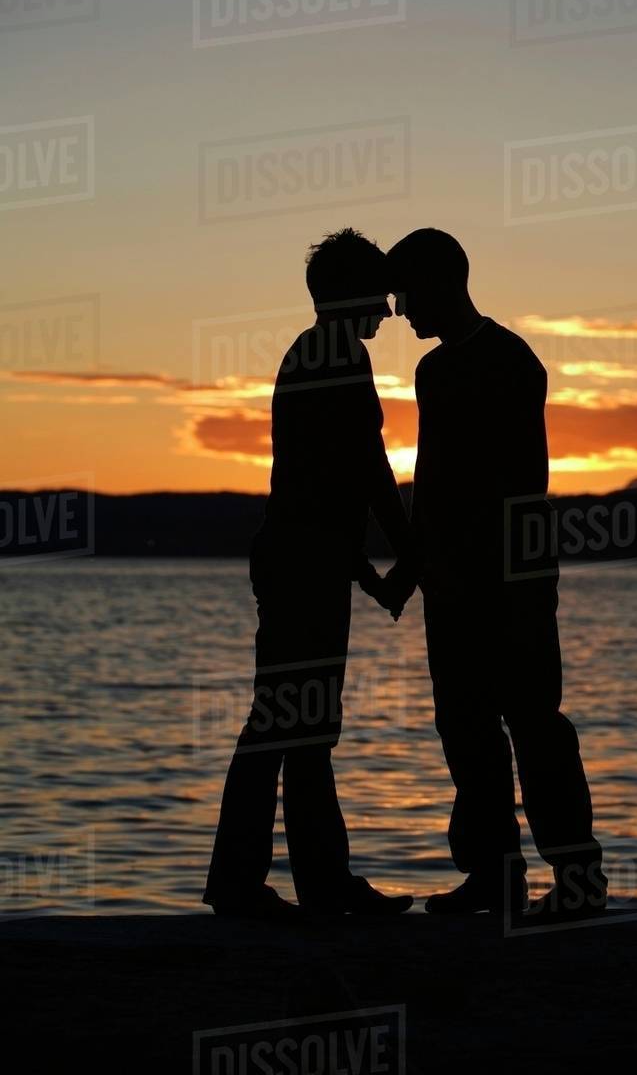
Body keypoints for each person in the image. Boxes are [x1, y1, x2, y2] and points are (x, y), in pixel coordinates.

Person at [385, 228, 607, 921]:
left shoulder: (511, 361)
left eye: (406, 292)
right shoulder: (432, 372)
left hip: (510, 583)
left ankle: (576, 878)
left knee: (534, 724)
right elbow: (431, 482)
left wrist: (498, 577)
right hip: (452, 584)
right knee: (465, 727)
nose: (398, 309)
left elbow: (512, 485)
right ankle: (495, 875)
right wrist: (416, 569)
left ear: (444, 281)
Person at [203, 228, 414, 920]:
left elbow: (321, 486)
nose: (389, 310)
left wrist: (365, 568)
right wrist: (407, 557)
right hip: (303, 565)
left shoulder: (315, 353)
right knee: (289, 722)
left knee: (299, 723)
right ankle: (262, 884)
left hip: (306, 558)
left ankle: (313, 883)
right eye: (379, 294)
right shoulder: (337, 357)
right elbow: (365, 471)